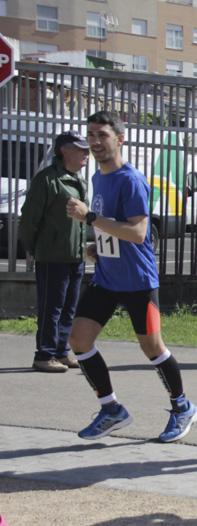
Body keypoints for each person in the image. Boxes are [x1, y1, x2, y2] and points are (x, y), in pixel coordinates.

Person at [65, 110, 197, 443]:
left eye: (102, 135)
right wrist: (100, 246)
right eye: (92, 135)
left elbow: (139, 233)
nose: (96, 142)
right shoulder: (98, 177)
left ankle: (183, 407)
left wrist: (91, 218)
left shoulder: (131, 179)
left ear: (119, 139)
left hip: (138, 281)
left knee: (152, 348)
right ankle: (111, 408)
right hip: (107, 277)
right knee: (78, 340)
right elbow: (113, 227)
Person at [21, 131, 90, 374]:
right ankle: (44, 355)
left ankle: (61, 351)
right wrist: (33, 249)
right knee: (52, 308)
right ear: (65, 151)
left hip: (75, 256)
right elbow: (29, 219)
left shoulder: (78, 180)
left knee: (69, 307)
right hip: (52, 255)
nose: (86, 153)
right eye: (81, 149)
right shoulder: (48, 179)